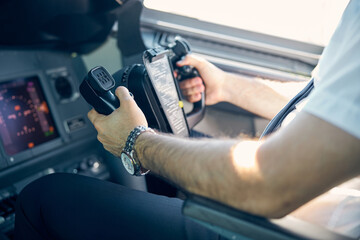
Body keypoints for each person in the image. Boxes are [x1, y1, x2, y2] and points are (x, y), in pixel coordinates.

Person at [14, 0, 359, 239]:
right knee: (177, 148)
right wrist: (227, 86)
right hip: (301, 201)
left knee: (43, 196)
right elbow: (326, 102)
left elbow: (269, 184)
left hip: (281, 226)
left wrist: (135, 141)